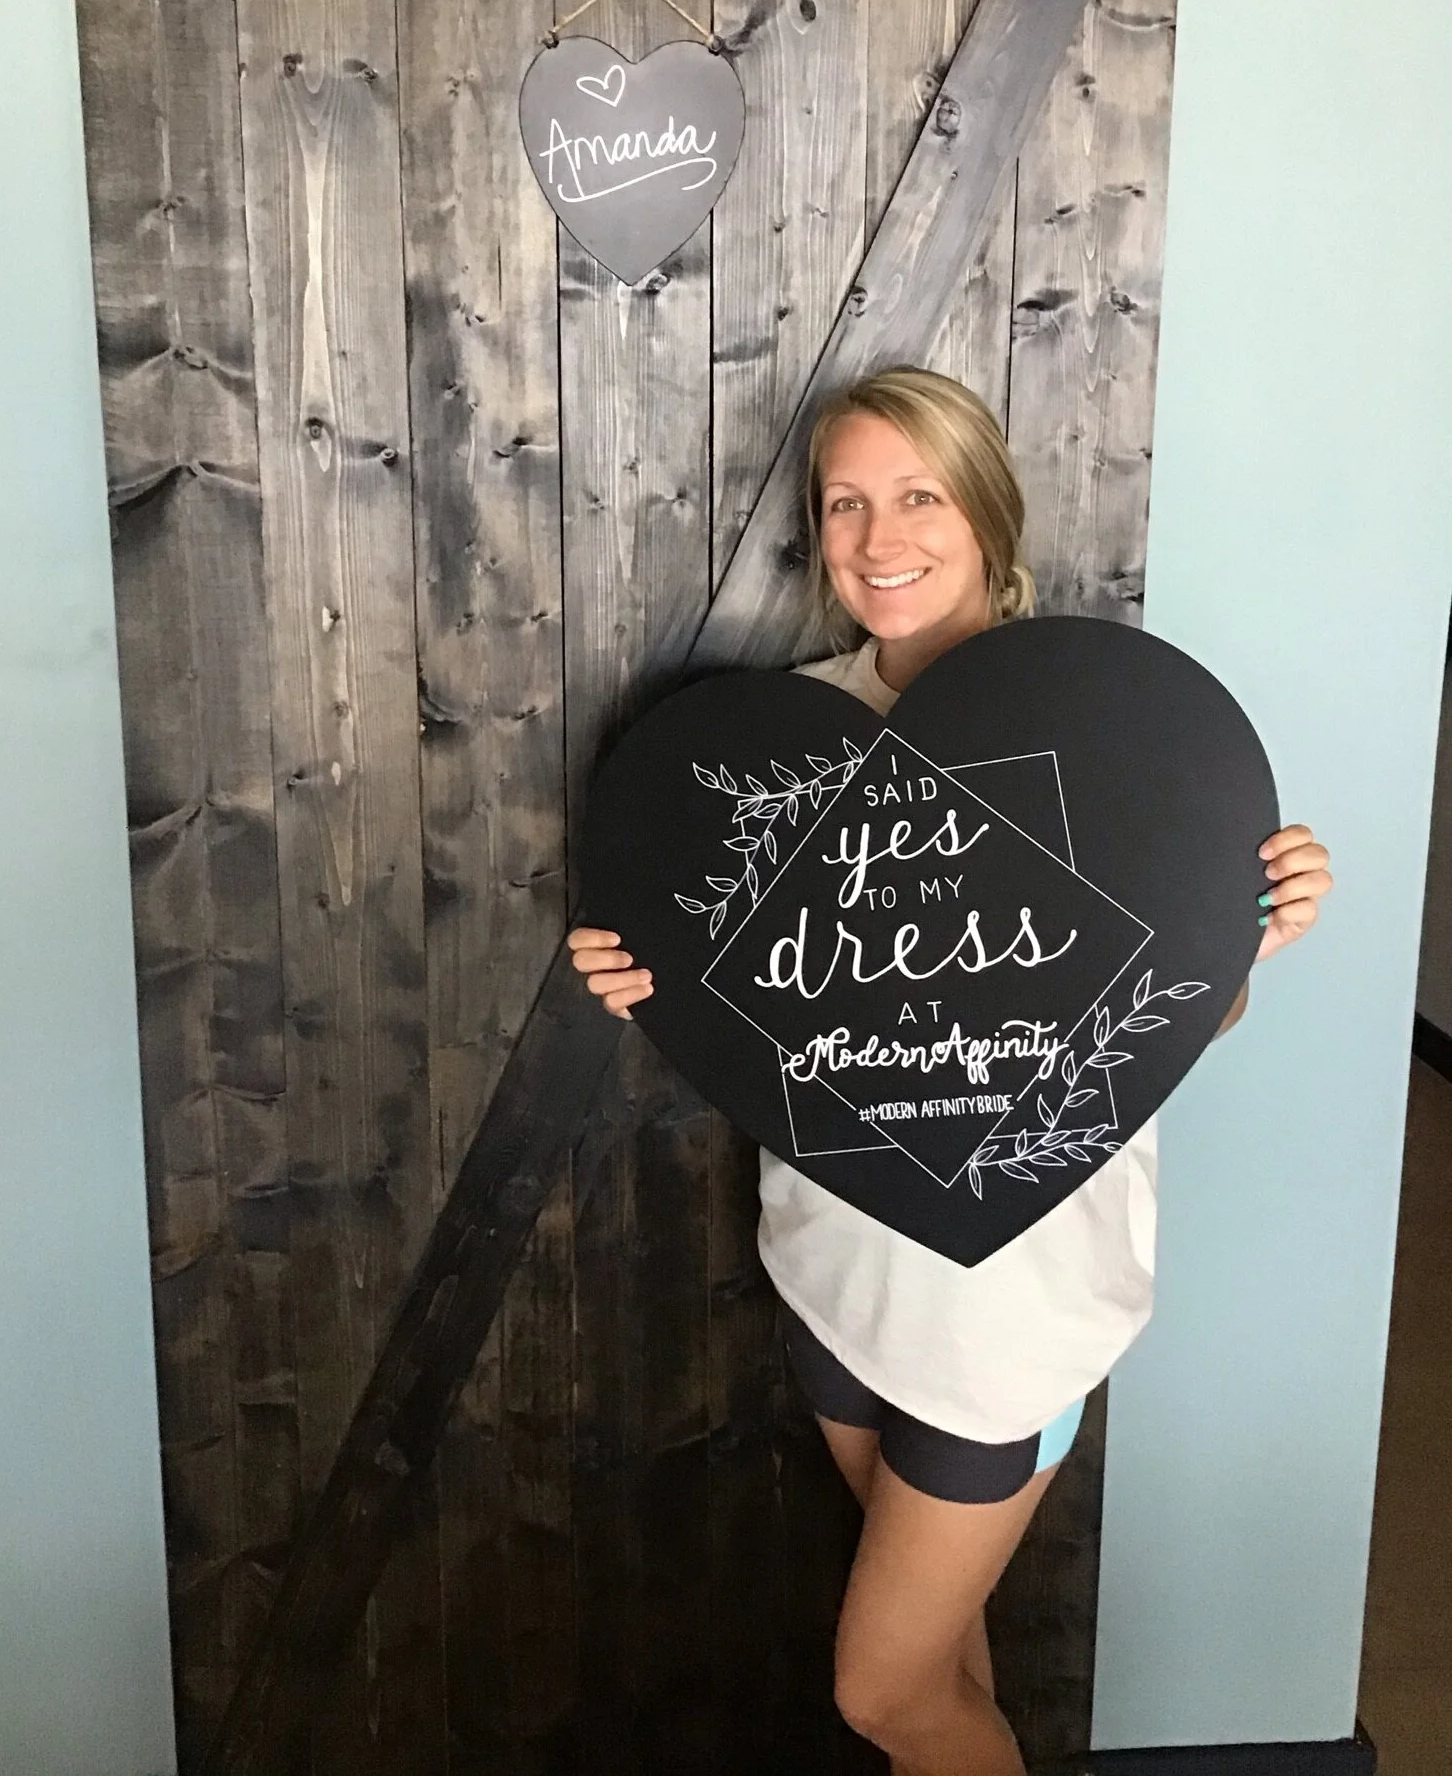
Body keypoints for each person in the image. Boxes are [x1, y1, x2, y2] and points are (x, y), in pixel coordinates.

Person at [566, 369, 1333, 1776]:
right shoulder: (767, 753)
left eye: (917, 493)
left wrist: (1246, 931)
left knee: (880, 1690)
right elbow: (730, 1010)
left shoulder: (1117, 735)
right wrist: (636, 977)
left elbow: (1172, 1029)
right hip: (835, 1277)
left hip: (1013, 1321)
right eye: (845, 502)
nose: (878, 534)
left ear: (987, 512)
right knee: (943, 1662)